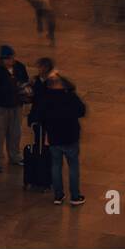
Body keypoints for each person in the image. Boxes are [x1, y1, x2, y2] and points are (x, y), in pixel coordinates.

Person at [33, 60, 86, 205]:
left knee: (55, 166)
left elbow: (40, 116)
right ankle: (75, 196)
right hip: (70, 137)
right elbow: (82, 111)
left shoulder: (46, 99)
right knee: (73, 167)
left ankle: (58, 196)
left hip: (54, 138)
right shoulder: (69, 96)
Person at [0, 44, 29, 173]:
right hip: (1, 108)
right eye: (6, 59)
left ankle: (15, 156)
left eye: (10, 58)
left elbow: (25, 82)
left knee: (15, 133)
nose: (9, 61)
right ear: (1, 59)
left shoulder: (20, 67)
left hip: (16, 106)